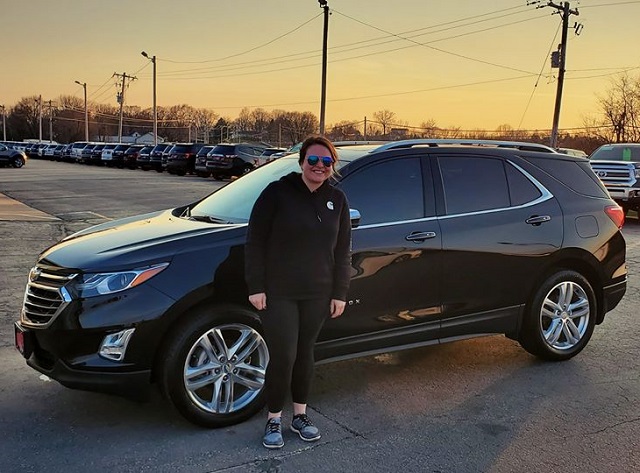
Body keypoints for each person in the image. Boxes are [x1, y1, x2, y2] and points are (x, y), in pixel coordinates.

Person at [245, 135, 352, 449]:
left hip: (318, 293)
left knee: (306, 353)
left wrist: (339, 292)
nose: (319, 166)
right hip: (280, 292)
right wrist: (256, 287)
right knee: (284, 354)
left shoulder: (338, 200)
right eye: (313, 160)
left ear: (332, 165)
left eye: (326, 161)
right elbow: (255, 242)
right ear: (302, 161)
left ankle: (301, 416)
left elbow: (343, 251)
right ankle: (274, 418)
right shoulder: (277, 193)